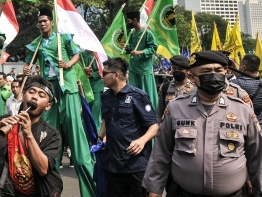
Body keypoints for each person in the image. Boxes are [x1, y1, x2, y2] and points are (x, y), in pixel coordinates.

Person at [143, 51, 262, 197]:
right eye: (206, 71)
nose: (214, 75)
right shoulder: (176, 108)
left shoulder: (242, 110)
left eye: (218, 70)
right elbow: (161, 153)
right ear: (192, 77)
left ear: (225, 72)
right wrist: (154, 189)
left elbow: (257, 156)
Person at [23, 7, 96, 196]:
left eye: (45, 20)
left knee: (76, 134)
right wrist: (26, 70)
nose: (42, 24)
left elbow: (77, 54)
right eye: (39, 21)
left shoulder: (63, 38)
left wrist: (69, 64)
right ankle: (47, 189)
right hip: (49, 91)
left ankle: (91, 189)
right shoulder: (37, 43)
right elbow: (28, 62)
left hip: (68, 87)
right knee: (48, 133)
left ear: (52, 22)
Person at [0, 77, 63, 197]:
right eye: (31, 92)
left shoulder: (52, 133)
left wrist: (28, 135)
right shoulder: (7, 121)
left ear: (48, 106)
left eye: (41, 95)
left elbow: (43, 169)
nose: (34, 97)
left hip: (41, 192)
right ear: (23, 95)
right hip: (9, 191)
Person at [99, 57, 159, 197]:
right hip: (112, 164)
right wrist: (101, 135)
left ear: (116, 75)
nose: (101, 77)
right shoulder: (105, 96)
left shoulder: (138, 96)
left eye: (104, 74)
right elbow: (106, 120)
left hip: (135, 165)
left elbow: (154, 127)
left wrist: (142, 140)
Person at [123, 11, 158, 110]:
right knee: (134, 92)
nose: (128, 23)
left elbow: (153, 48)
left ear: (135, 20)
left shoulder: (147, 33)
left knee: (146, 93)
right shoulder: (131, 33)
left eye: (129, 20)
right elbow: (131, 50)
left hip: (144, 69)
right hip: (133, 67)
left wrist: (140, 52)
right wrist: (127, 48)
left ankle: (151, 113)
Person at [156, 55, 195, 119]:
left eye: (180, 69)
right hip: (168, 126)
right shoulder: (165, 87)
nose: (177, 71)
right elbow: (159, 113)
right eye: (174, 68)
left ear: (188, 71)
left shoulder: (194, 88)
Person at [230, 54, 262, 120]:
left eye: (240, 66)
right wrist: (236, 70)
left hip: (242, 123)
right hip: (259, 124)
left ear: (244, 68)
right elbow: (246, 80)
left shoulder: (234, 83)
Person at [81, 49, 103, 131]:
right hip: (84, 86)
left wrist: (92, 74)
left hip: (96, 86)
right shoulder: (80, 55)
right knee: (86, 110)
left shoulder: (99, 55)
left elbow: (103, 69)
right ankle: (86, 133)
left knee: (96, 111)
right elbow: (77, 68)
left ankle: (97, 134)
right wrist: (83, 70)